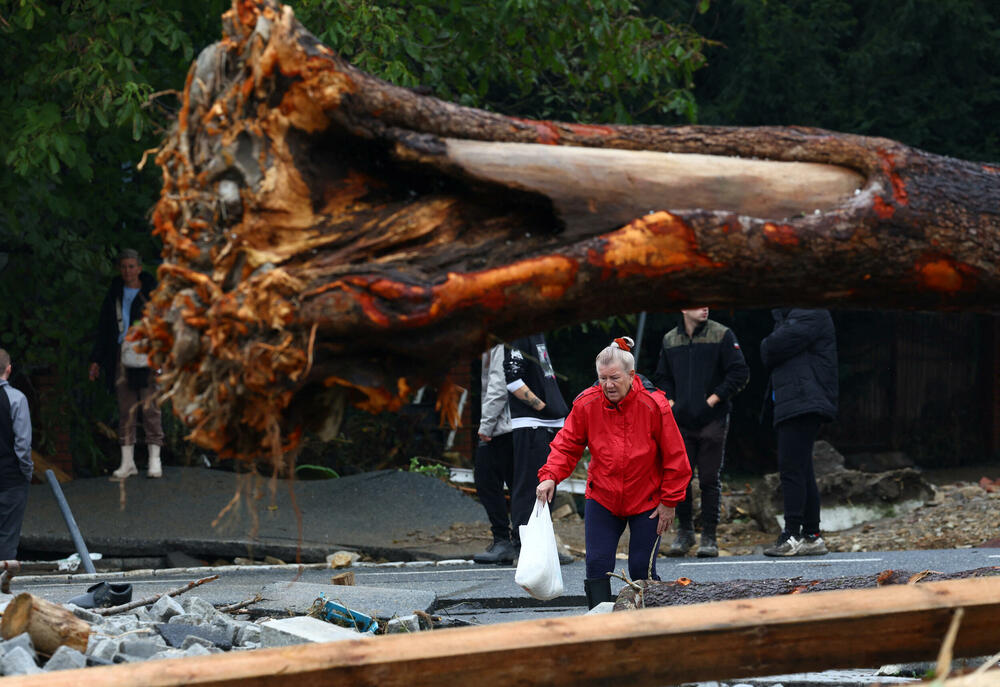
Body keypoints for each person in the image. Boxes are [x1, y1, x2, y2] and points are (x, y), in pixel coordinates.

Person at [536, 337, 691, 609]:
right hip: (603, 497)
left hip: (647, 500)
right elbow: (567, 444)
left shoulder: (654, 404)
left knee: (640, 568)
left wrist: (669, 501)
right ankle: (600, 627)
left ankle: (650, 625)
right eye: (602, 378)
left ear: (631, 376)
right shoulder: (586, 403)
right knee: (597, 565)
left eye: (614, 378)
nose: (607, 385)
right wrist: (550, 475)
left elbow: (675, 457)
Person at [654, 307, 749, 558]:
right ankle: (684, 533)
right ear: (683, 308)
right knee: (680, 479)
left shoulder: (722, 334)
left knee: (709, 478)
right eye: (697, 304)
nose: (704, 308)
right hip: (680, 422)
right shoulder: (670, 339)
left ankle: (709, 536)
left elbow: (740, 372)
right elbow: (662, 377)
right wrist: (672, 402)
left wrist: (713, 399)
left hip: (713, 419)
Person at [760, 308, 838, 557]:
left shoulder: (810, 311)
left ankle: (792, 534)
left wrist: (774, 337)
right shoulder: (791, 316)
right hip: (796, 400)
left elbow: (770, 347)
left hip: (803, 400)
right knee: (802, 468)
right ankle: (812, 535)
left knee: (791, 468)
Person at [88, 249, 165, 480]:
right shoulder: (115, 293)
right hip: (121, 354)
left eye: (132, 266)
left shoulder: (152, 293)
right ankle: (127, 461)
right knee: (126, 408)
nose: (128, 271)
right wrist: (96, 360)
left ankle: (154, 459)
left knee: (150, 406)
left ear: (139, 268)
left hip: (146, 354)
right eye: (124, 267)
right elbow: (104, 328)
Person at [504, 334, 570, 547]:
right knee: (530, 487)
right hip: (532, 424)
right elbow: (513, 380)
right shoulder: (520, 333)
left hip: (549, 423)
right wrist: (543, 407)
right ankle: (524, 546)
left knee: (546, 487)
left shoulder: (538, 333)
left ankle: (540, 546)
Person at [473, 344, 516, 564]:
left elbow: (499, 387)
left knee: (486, 479)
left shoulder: (501, 345)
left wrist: (486, 425)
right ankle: (516, 541)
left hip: (503, 426)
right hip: (514, 425)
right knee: (517, 484)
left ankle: (504, 540)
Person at [0, 349, 32, 560]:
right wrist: (26, 472)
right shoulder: (16, 399)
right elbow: (22, 444)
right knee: (7, 538)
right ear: (9, 369)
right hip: (10, 478)